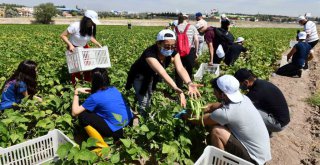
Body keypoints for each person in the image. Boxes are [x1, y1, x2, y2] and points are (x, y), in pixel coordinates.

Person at [186, 75, 271, 165]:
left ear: (222, 95)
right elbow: (213, 106)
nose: (213, 93)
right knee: (220, 124)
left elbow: (200, 120)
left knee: (217, 131)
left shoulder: (227, 113)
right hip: (261, 154)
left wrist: (185, 115)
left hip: (254, 160)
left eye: (215, 91)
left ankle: (219, 162)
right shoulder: (244, 99)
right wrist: (200, 109)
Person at [125, 29, 201, 117]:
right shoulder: (149, 54)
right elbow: (162, 72)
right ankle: (144, 119)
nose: (170, 49)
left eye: (173, 46)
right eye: (167, 46)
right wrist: (176, 88)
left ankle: (138, 103)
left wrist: (189, 83)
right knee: (144, 101)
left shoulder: (174, 53)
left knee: (149, 94)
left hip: (151, 76)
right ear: (158, 44)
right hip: (139, 77)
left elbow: (180, 68)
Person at [72, 68, 133, 144]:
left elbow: (74, 112)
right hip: (129, 125)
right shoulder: (113, 88)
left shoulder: (94, 97)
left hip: (117, 132)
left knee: (83, 115)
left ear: (94, 81)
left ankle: (101, 144)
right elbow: (105, 99)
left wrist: (76, 93)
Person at [234, 68, 290, 135]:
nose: (239, 87)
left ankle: (259, 133)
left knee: (247, 111)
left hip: (278, 124)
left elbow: (239, 106)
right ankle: (266, 128)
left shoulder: (256, 92)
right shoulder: (260, 83)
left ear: (246, 82)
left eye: (239, 84)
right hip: (285, 118)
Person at [60, 10, 102, 85]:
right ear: (86, 20)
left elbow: (90, 37)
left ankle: (87, 83)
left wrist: (98, 44)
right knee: (75, 68)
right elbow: (63, 35)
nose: (92, 24)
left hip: (84, 47)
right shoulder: (75, 25)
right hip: (73, 48)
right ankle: (76, 86)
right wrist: (70, 45)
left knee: (88, 67)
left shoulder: (91, 27)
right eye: (91, 22)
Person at [174, 13, 199, 88]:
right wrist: (196, 51)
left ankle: (179, 86)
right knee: (189, 68)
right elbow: (196, 40)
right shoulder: (192, 27)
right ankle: (189, 85)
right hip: (190, 51)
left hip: (178, 51)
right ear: (187, 18)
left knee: (178, 69)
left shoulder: (176, 28)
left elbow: (174, 40)